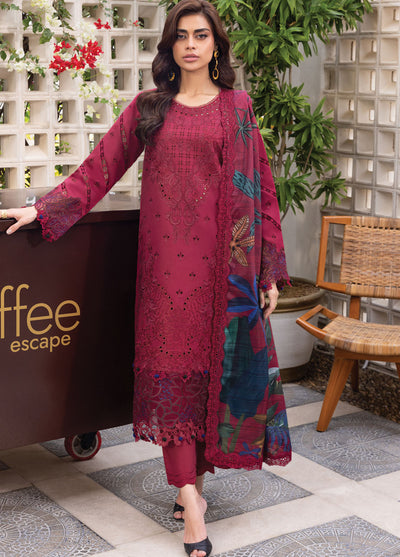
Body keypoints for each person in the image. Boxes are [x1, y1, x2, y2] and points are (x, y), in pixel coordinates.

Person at [2, 1, 292, 555]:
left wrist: (268, 269)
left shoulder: (237, 108)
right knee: (171, 377)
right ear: (170, 45)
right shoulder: (149, 108)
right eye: (181, 36)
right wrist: (43, 210)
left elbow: (261, 191)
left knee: (209, 379)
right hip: (165, 273)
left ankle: (193, 489)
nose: (190, 45)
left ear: (215, 45)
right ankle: (189, 502)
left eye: (200, 35)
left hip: (224, 273)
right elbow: (100, 169)